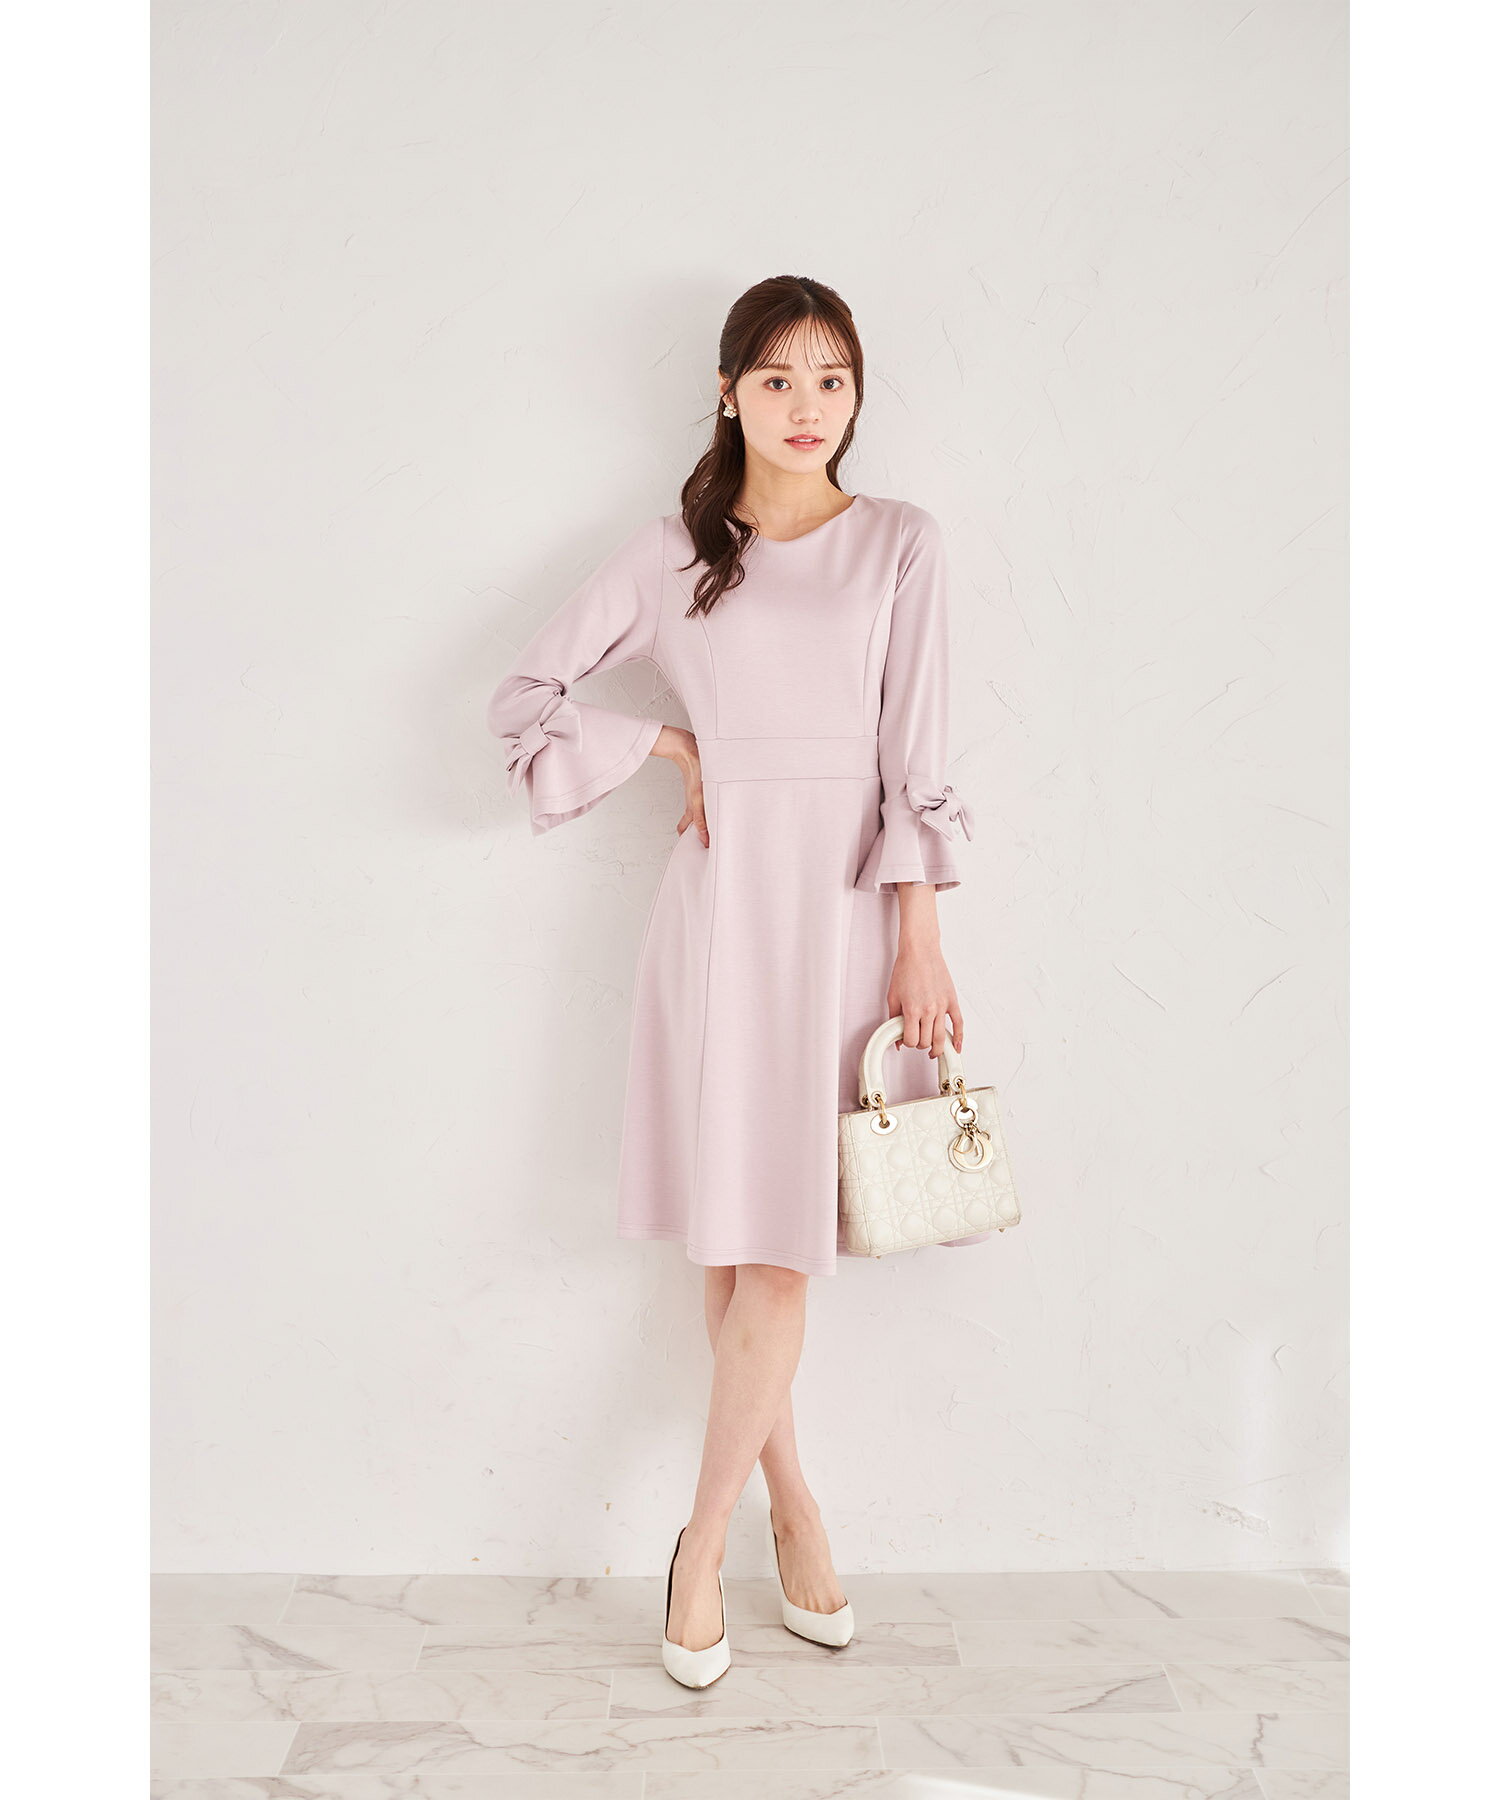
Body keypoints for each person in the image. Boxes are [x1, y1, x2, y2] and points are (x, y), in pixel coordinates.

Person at [486, 275, 986, 1688]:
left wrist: (921, 932)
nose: (807, 406)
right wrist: (673, 749)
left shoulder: (900, 543)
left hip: (845, 916)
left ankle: (705, 1540)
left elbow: (917, 756)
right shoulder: (672, 556)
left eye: (831, 378)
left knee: (774, 1245)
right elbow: (523, 699)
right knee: (738, 1240)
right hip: (720, 916)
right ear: (728, 393)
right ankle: (786, 1511)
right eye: (777, 379)